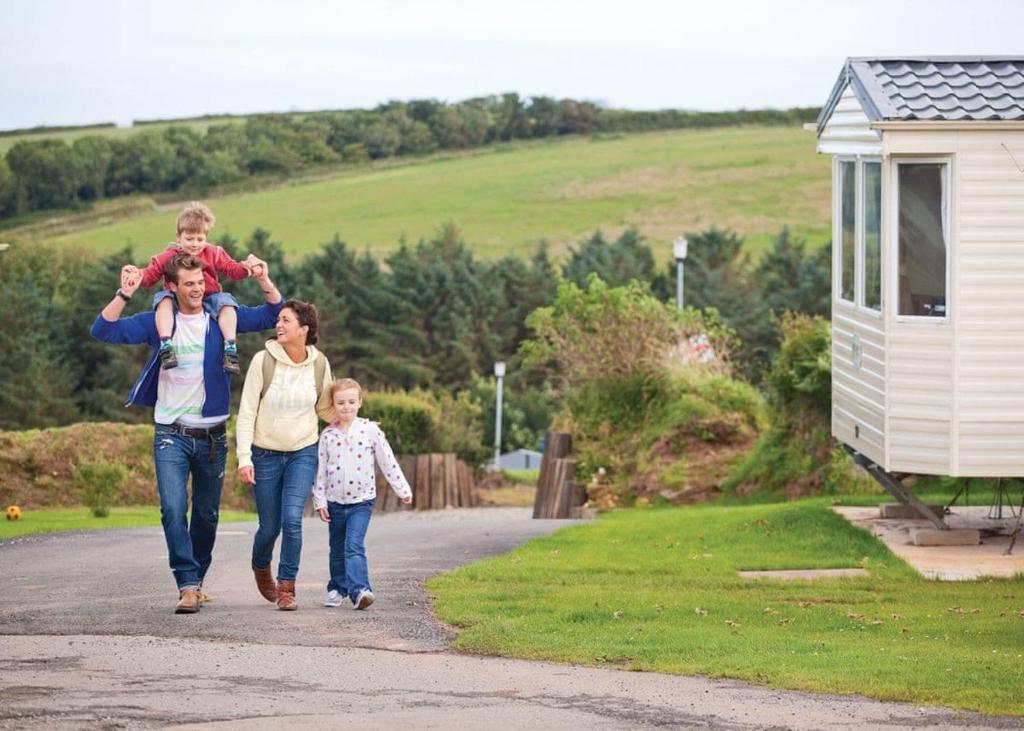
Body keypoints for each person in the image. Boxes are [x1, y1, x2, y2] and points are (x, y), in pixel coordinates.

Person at [91, 253, 282, 614]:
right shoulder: (157, 323)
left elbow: (272, 314)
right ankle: (188, 584)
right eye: (189, 284)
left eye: (200, 283)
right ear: (173, 287)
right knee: (173, 509)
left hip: (213, 437)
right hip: (170, 434)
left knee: (207, 515)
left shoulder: (222, 319)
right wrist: (124, 292)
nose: (197, 290)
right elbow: (103, 330)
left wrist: (263, 279)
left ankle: (197, 577)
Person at [236, 300, 335, 611]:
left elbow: (325, 408)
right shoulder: (263, 361)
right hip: (264, 453)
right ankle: (261, 566)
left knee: (293, 520)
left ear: (304, 330)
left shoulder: (319, 365)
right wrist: (244, 457)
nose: (279, 325)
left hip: (302, 451)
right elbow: (246, 411)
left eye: (286, 320)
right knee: (270, 527)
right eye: (278, 320)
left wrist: (350, 415)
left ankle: (287, 587)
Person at [313, 378, 412, 610]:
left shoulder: (370, 431)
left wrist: (402, 489)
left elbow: (387, 461)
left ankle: (361, 591)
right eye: (340, 402)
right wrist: (320, 501)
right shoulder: (327, 436)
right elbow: (320, 471)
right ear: (333, 405)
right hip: (335, 502)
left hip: (361, 502)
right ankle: (337, 588)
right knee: (337, 548)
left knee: (354, 545)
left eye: (351, 401)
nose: (346, 407)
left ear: (360, 402)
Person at [122, 201, 253, 374]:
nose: (194, 244)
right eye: (189, 239)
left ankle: (230, 348)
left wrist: (246, 268)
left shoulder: (213, 252)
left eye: (200, 239)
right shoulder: (169, 256)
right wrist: (137, 276)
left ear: (206, 237)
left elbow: (231, 269)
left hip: (209, 296)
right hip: (179, 299)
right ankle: (166, 345)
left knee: (227, 303)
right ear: (178, 237)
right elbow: (150, 275)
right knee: (163, 300)